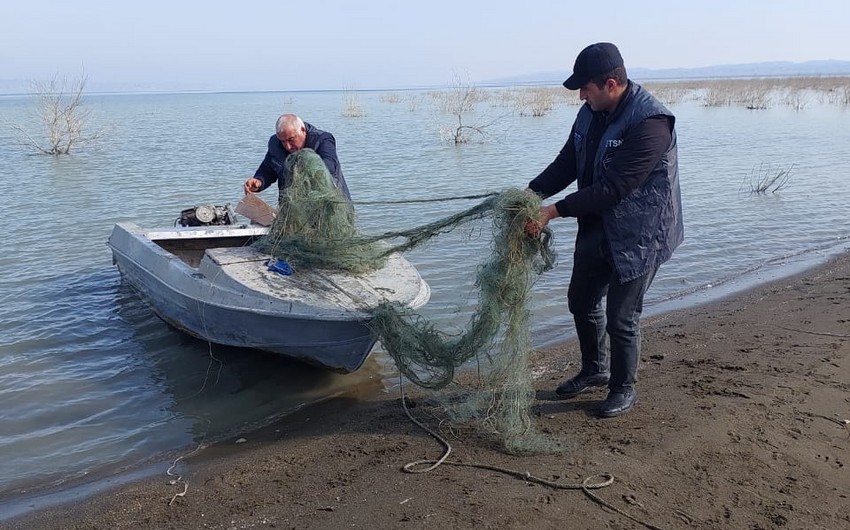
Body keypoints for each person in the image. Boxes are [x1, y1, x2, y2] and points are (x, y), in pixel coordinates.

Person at [525, 42, 684, 418]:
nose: (581, 95)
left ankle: (622, 388)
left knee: (621, 317)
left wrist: (553, 211)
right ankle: (594, 370)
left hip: (641, 233)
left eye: (586, 88)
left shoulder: (651, 123)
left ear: (610, 84)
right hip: (597, 224)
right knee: (580, 301)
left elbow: (615, 188)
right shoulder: (589, 113)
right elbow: (567, 163)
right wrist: (530, 196)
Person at [243, 114, 352, 201]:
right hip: (292, 209)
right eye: (283, 141)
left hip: (330, 205)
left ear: (303, 130)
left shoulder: (322, 140)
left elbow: (330, 165)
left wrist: (306, 168)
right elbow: (268, 169)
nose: (287, 146)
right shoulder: (275, 144)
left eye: (291, 139)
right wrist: (258, 181)